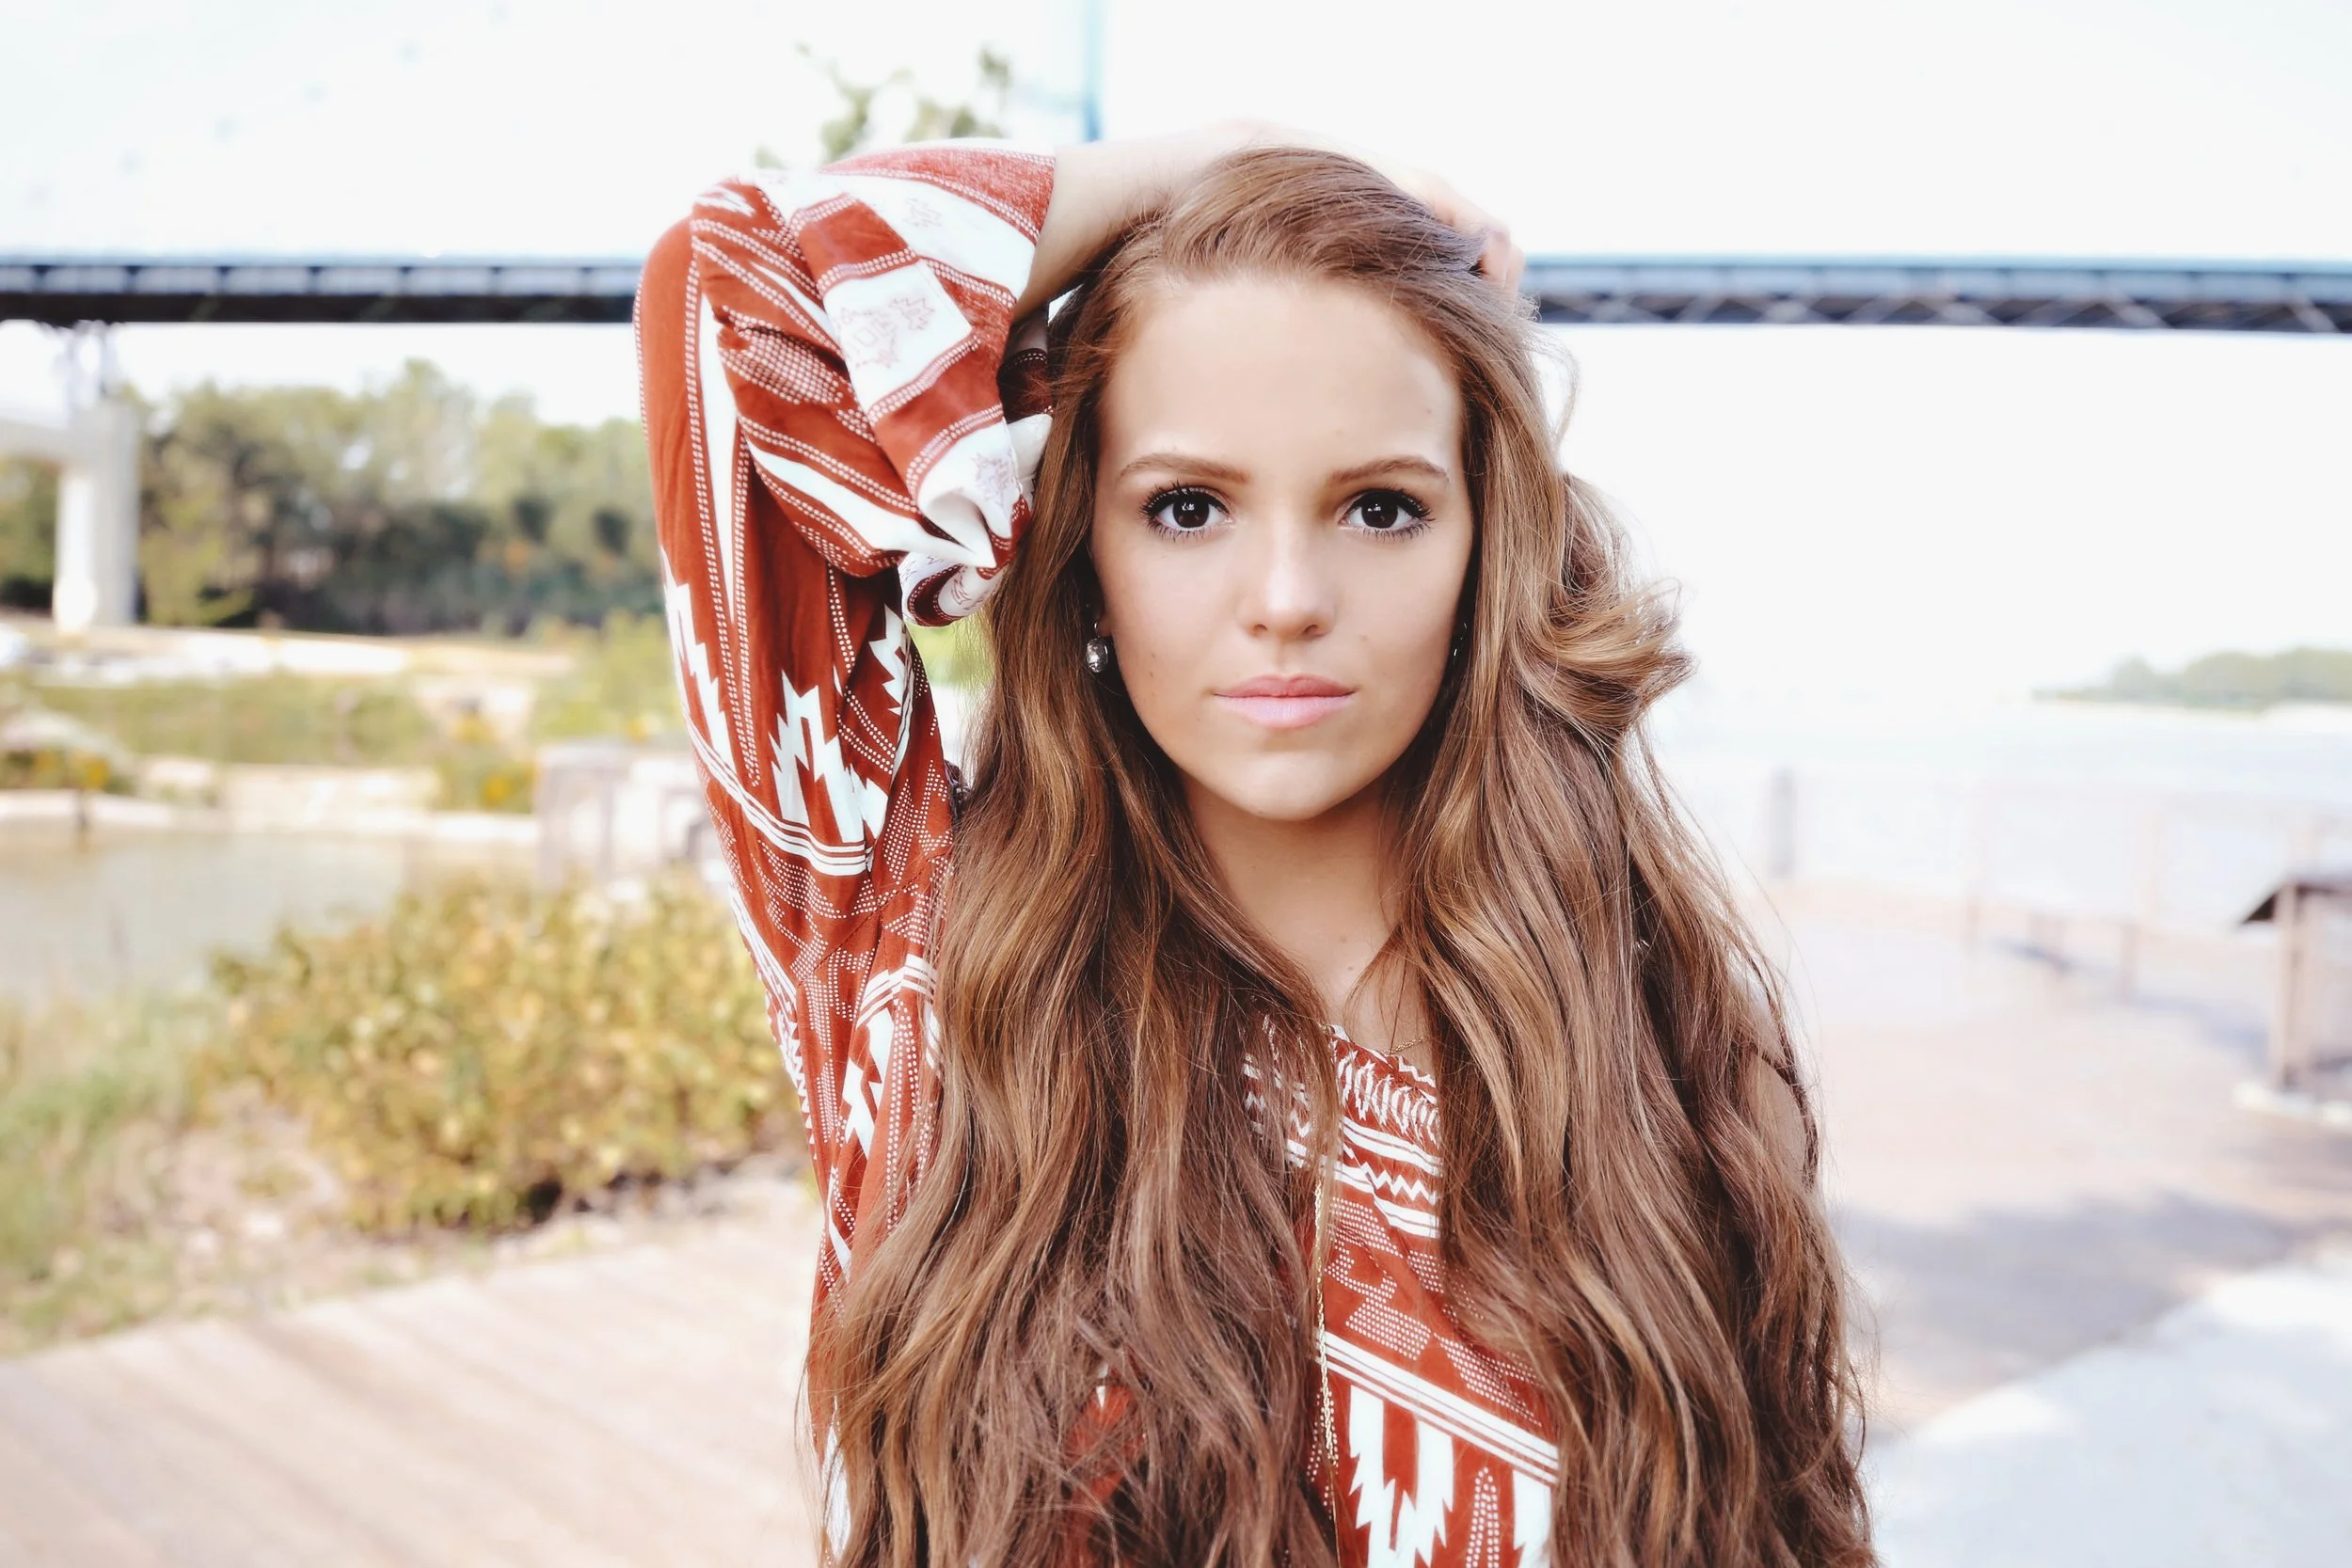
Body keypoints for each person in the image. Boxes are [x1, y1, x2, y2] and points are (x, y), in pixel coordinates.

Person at [637, 121, 1870, 1568]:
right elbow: (722, 307)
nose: (1287, 596)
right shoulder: (916, 951)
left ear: (1489, 545)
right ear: (1078, 547)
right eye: (1187, 506)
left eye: (1381, 506)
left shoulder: (1655, 1052)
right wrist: (1217, 167)